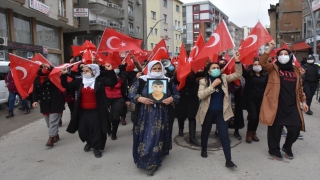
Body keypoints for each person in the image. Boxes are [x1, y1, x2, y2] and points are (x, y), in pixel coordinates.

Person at [128, 61, 180, 175]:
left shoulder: (168, 81)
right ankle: (143, 157)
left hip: (162, 114)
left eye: (158, 69)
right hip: (144, 114)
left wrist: (171, 99)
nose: (156, 71)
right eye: (154, 69)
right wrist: (140, 98)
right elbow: (131, 93)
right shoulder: (142, 80)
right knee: (145, 137)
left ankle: (152, 162)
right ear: (149, 69)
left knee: (156, 137)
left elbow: (177, 95)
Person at [260, 40, 308, 161]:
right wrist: (270, 48)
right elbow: (262, 62)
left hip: (292, 105)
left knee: (295, 129)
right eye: (280, 55)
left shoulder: (296, 71)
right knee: (275, 130)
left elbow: (299, 89)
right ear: (277, 57)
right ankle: (274, 150)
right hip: (276, 105)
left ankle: (287, 147)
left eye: (286, 54)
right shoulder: (273, 68)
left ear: (290, 56)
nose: (283, 56)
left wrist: (304, 101)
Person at [60, 63, 117, 158]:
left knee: (96, 130)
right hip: (82, 111)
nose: (84, 72)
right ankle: (89, 142)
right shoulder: (80, 81)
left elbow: (112, 82)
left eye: (87, 71)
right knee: (83, 130)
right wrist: (64, 74)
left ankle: (96, 148)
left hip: (96, 111)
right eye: (84, 71)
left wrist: (110, 71)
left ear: (93, 72)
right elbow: (65, 85)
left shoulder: (100, 81)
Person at [197, 51, 242, 168]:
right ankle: (204, 149)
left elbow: (238, 74)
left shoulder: (224, 78)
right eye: (213, 68)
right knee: (205, 132)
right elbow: (201, 95)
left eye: (218, 67)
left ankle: (229, 160)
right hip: (207, 112)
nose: (216, 69)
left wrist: (237, 60)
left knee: (224, 136)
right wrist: (212, 86)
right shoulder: (204, 81)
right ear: (208, 71)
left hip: (222, 112)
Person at [32, 64, 64, 146]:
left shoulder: (53, 75)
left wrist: (50, 67)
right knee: (48, 123)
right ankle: (55, 134)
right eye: (43, 67)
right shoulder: (37, 79)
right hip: (44, 103)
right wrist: (35, 100)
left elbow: (57, 72)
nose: (44, 69)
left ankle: (51, 138)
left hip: (55, 101)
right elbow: (35, 91)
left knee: (53, 121)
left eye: (46, 67)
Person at [173, 70, 204, 146]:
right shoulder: (178, 72)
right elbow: (173, 81)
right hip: (181, 97)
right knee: (181, 115)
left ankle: (192, 138)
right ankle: (181, 129)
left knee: (192, 117)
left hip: (192, 98)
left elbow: (205, 73)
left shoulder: (194, 73)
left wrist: (208, 64)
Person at [242, 59, 268, 143]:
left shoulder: (265, 75)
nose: (257, 66)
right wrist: (238, 61)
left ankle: (254, 133)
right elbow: (242, 71)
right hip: (250, 99)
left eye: (258, 64)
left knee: (257, 117)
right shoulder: (249, 75)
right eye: (255, 64)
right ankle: (249, 133)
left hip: (260, 99)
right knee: (252, 116)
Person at [219, 58, 245, 140]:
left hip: (235, 97)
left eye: (224, 63)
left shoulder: (231, 75)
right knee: (224, 115)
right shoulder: (218, 75)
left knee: (236, 114)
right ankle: (223, 132)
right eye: (221, 63)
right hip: (223, 98)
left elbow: (239, 79)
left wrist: (237, 82)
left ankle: (236, 131)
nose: (223, 65)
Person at [105, 66, 128, 140]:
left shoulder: (122, 77)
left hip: (118, 98)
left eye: (117, 67)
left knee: (116, 116)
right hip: (106, 98)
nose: (115, 69)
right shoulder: (104, 76)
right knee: (107, 116)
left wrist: (126, 99)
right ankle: (108, 129)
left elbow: (124, 89)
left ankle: (114, 132)